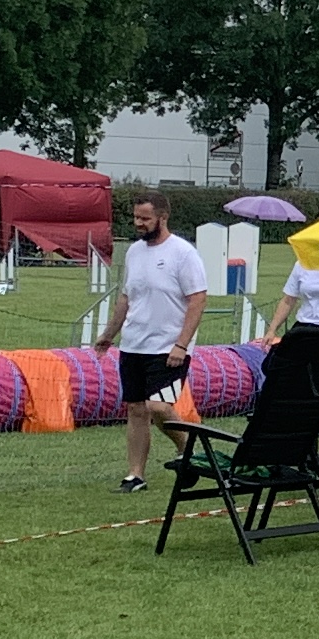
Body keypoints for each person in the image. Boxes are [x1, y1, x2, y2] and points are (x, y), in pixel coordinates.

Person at [93, 194, 209, 492]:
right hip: (133, 345)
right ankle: (135, 475)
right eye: (136, 217)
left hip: (168, 349)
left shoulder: (183, 253)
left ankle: (187, 450)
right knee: (136, 409)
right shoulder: (134, 252)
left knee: (158, 406)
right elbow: (126, 297)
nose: (138, 223)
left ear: (162, 217)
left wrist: (181, 344)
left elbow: (197, 299)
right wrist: (109, 334)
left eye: (145, 218)